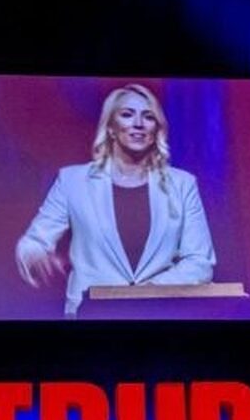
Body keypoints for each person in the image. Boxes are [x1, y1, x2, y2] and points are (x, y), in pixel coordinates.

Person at [15, 83, 214, 316]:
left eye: (148, 117)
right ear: (110, 127)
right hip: (91, 315)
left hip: (159, 315)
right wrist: (36, 256)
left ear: (156, 129)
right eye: (127, 114)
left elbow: (199, 262)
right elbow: (33, 242)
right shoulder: (73, 181)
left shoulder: (182, 184)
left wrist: (144, 293)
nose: (138, 123)